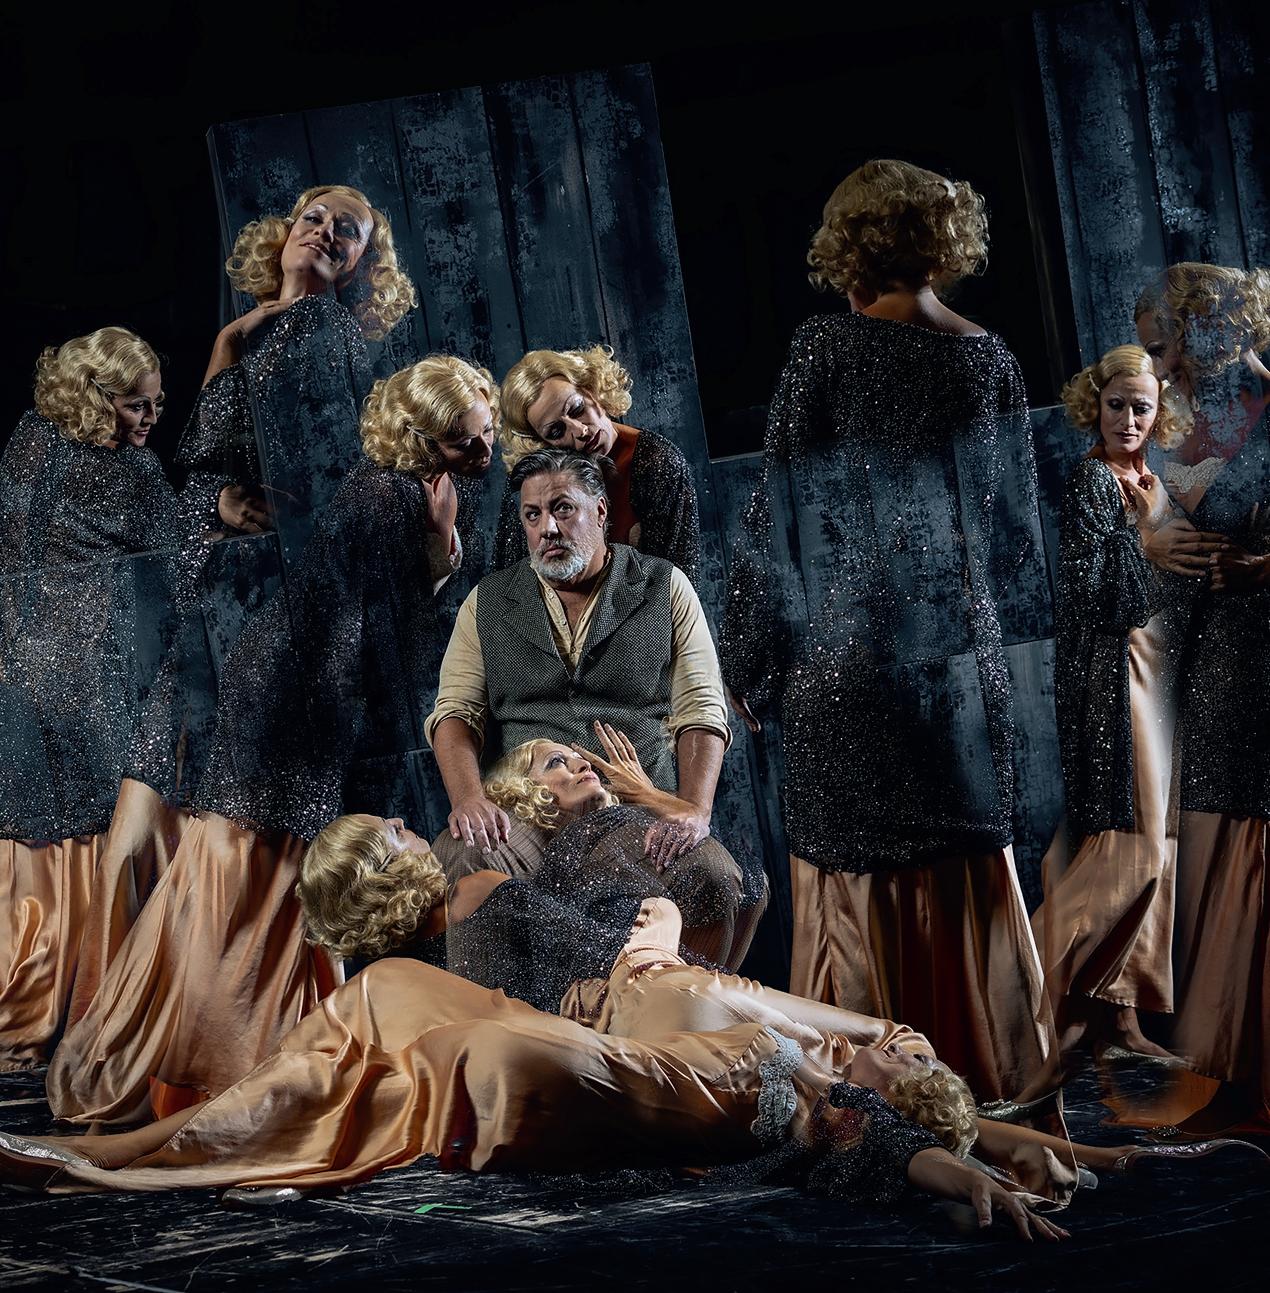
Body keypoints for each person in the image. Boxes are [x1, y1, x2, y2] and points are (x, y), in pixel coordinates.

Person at [45, 356, 494, 1128]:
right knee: (258, 877)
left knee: (265, 873)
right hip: (293, 701)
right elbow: (400, 646)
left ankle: (231, 1058)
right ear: (423, 439)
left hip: (292, 689)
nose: (484, 452)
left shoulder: (402, 484)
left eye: (486, 434)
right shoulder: (392, 496)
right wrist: (441, 555)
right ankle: (226, 1070)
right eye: (466, 442)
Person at [720, 159, 1048, 1102]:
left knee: (854, 872)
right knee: (968, 864)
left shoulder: (825, 348)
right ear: (944, 242)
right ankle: (993, 1079)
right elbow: (1014, 537)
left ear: (850, 248)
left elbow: (776, 518)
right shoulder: (991, 359)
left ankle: (878, 1102)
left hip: (850, 656)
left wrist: (746, 659)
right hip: (959, 663)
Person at [67, 185, 420, 1023]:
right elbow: (194, 477)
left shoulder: (333, 336)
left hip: (279, 615)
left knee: (234, 844)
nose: (325, 232)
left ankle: (229, 1030)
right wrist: (220, 500)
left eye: (347, 231)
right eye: (314, 217)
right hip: (206, 605)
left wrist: (269, 517)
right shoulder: (239, 334)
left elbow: (335, 484)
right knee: (140, 836)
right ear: (285, 232)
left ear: (361, 266)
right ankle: (130, 1022)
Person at [427, 447, 735, 881]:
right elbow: (455, 715)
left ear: (601, 511)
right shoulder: (487, 602)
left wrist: (694, 811)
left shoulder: (664, 586)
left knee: (711, 874)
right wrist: (468, 799)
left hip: (632, 806)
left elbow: (701, 711)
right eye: (532, 515)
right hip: (528, 811)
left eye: (563, 509)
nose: (547, 528)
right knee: (464, 856)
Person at [1021, 346, 1196, 1104]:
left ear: (1159, 413)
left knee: (1161, 842)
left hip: (1162, 670)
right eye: (1116, 404)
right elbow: (1106, 597)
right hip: (1116, 674)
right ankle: (1025, 979)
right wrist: (1150, 539)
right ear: (1094, 405)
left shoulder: (1152, 478)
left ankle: (1121, 1018)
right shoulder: (1093, 482)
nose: (1128, 419)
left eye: (1142, 407)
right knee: (1134, 845)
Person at [0, 328, 178, 1069]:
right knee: (96, 823)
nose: (151, 419)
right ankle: (86, 992)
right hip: (91, 669)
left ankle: (23, 991)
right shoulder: (132, 472)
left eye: (158, 403)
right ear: (97, 397)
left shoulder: (29, 441)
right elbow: (175, 556)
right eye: (137, 405)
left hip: (21, 661)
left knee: (34, 833)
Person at [1134, 263, 1270, 1131]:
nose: (1163, 369)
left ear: (1214, 328)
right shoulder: (1185, 418)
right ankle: (1235, 1062)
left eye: (1169, 348)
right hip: (1208, 659)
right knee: (1222, 842)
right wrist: (1151, 542)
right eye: (1155, 353)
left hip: (1260, 646)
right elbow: (1141, 516)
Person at [434, 733, 764, 968]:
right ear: (521, 788)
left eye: (580, 760)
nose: (583, 765)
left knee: (749, 884)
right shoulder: (538, 848)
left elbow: (695, 817)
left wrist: (647, 793)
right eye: (557, 762)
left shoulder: (627, 822)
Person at [493, 346, 700, 581]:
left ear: (591, 388)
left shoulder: (658, 463)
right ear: (542, 443)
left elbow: (678, 581)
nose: (580, 431)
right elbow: (508, 577)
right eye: (557, 431)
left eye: (577, 409)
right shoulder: (533, 480)